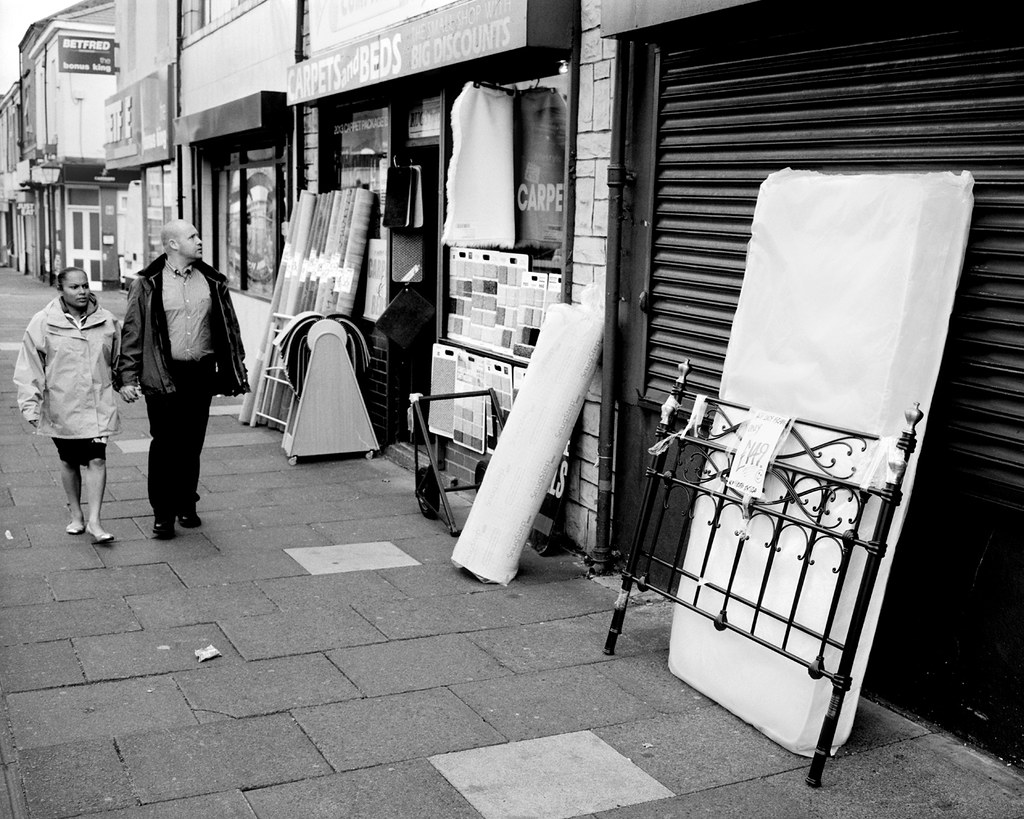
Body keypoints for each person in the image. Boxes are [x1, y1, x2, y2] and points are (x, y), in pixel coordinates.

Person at [118, 220, 248, 539]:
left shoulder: (212, 280)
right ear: (173, 244)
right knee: (165, 443)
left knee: (192, 443)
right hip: (163, 372)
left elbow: (229, 327)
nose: (200, 241)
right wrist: (127, 377)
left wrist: (235, 368)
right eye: (192, 236)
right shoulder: (147, 283)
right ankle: (163, 514)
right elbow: (133, 331)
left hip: (199, 372)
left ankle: (186, 504)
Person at [13, 267, 122, 544]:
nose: (82, 291)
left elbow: (120, 359)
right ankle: (76, 515)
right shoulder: (43, 322)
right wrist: (30, 404)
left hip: (98, 403)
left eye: (85, 285)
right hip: (61, 405)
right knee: (69, 460)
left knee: (97, 458)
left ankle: (95, 522)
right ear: (60, 290)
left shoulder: (107, 321)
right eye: (74, 287)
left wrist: (128, 383)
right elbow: (30, 366)